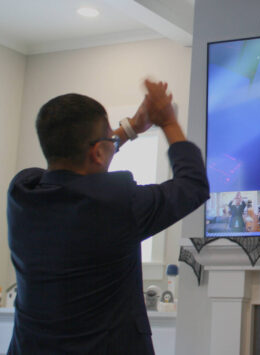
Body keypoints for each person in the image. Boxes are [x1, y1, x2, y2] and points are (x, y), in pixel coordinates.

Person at [6, 79, 209, 354]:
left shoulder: (22, 192)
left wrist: (131, 128)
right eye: (107, 139)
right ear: (99, 152)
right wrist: (167, 121)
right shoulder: (117, 203)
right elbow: (192, 184)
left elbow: (79, 159)